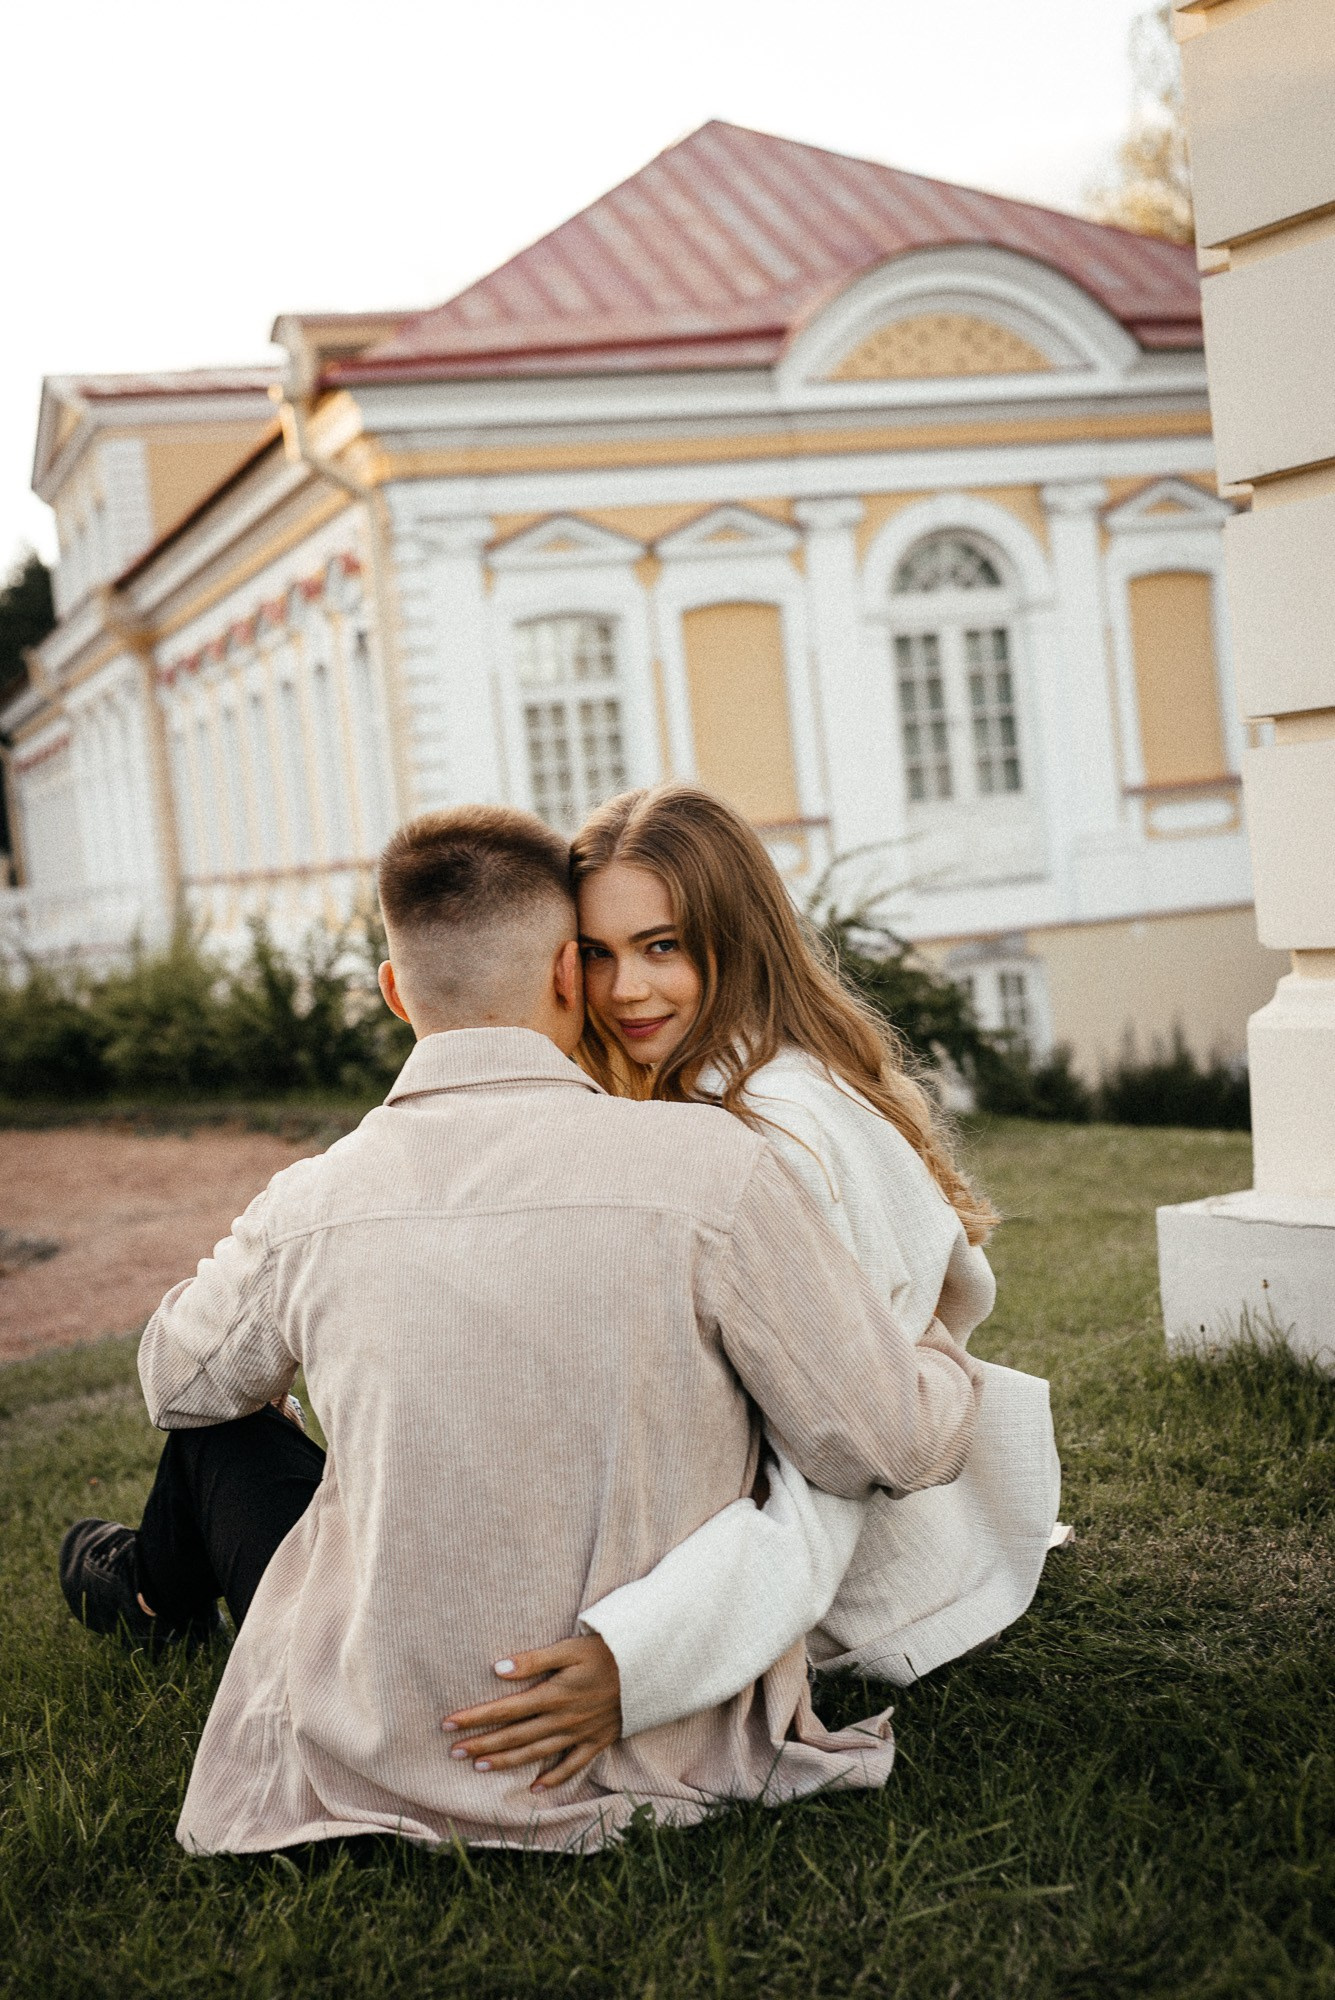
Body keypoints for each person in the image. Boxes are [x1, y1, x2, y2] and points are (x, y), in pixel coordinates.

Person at [58, 803, 982, 1855]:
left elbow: (171, 1378)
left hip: (393, 1723)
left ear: (395, 991)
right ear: (565, 974)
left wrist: (295, 1332)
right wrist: (937, 1342)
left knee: (218, 1420)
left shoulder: (313, 1201)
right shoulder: (717, 1164)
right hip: (655, 1729)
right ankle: (134, 1577)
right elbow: (887, 1444)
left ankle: (136, 1582)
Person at [447, 783, 1061, 1780]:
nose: (626, 991)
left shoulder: (769, 1131)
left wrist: (638, 1658)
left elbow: (835, 1456)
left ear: (740, 941)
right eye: (597, 954)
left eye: (663, 946)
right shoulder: (724, 1086)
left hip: (831, 1573)